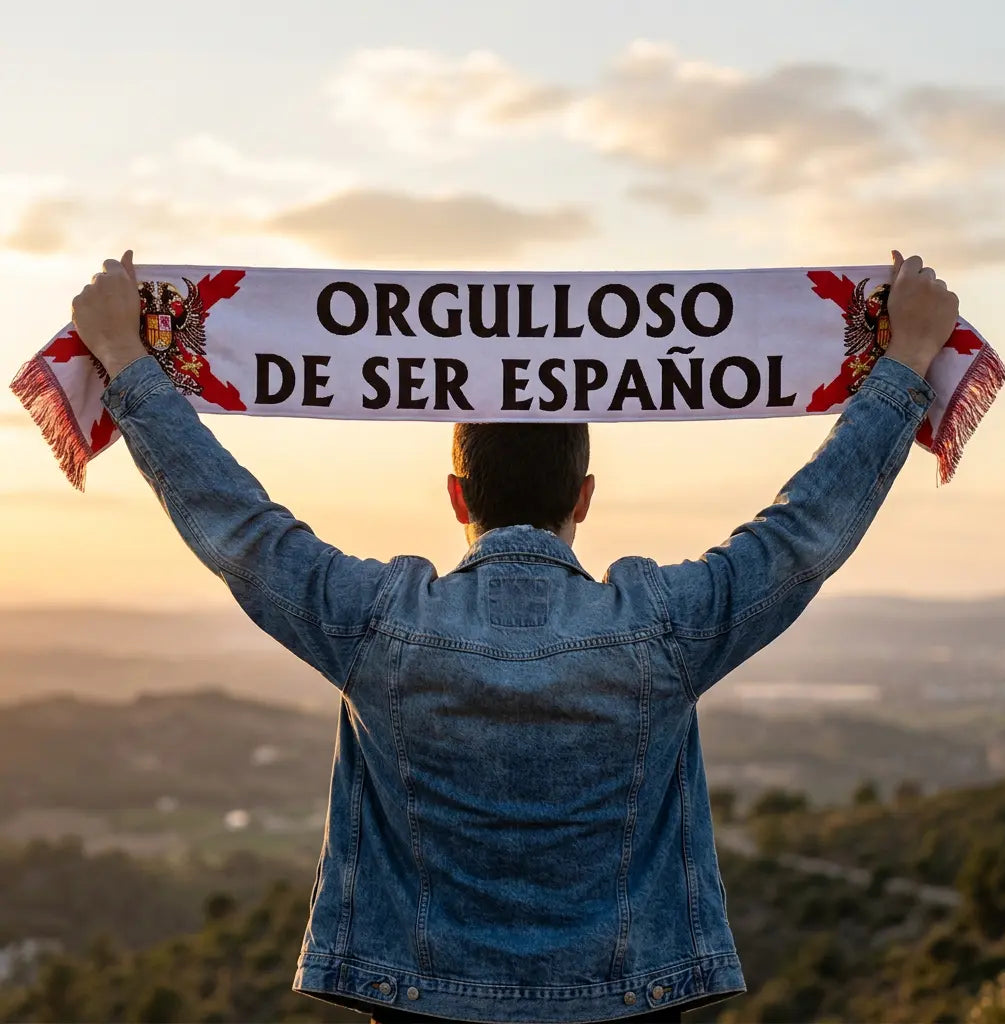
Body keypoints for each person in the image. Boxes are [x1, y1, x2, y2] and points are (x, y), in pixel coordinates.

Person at [71, 251, 957, 1024]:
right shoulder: (663, 629)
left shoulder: (377, 624)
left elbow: (243, 532)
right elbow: (802, 536)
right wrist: (907, 361)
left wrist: (125, 362)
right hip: (629, 1007)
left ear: (457, 497)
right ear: (585, 496)